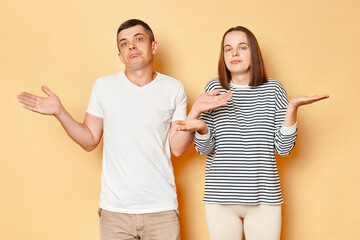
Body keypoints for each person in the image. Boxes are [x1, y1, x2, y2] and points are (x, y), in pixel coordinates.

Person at [17, 19, 232, 240]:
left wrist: (195, 110)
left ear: (153, 46)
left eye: (138, 39)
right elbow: (89, 140)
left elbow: (177, 149)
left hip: (161, 210)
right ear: (120, 55)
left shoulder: (173, 88)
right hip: (115, 211)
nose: (131, 46)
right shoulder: (103, 86)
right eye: (124, 43)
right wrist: (59, 111)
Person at [176, 26, 329, 240]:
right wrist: (202, 128)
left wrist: (292, 109)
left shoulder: (273, 89)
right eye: (228, 49)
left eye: (242, 47)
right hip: (220, 198)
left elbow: (283, 149)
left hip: (264, 197)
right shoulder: (214, 88)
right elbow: (204, 149)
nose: (234, 54)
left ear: (254, 53)